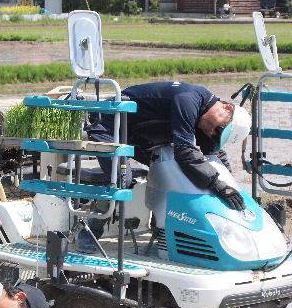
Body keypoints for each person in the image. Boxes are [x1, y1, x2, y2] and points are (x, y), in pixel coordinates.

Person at [76, 81, 250, 253]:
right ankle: (90, 230)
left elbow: (214, 154)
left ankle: (161, 225)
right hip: (109, 125)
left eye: (219, 135)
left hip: (139, 132)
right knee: (123, 179)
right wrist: (217, 185)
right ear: (226, 107)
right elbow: (186, 153)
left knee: (168, 166)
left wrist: (231, 187)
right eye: (219, 129)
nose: (213, 132)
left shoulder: (207, 117)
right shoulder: (188, 99)